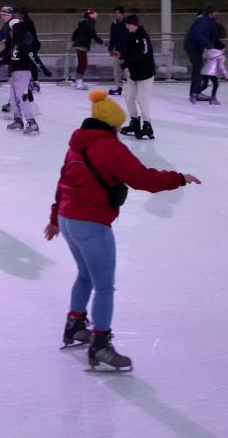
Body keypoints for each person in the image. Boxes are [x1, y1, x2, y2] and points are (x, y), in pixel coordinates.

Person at [44, 89, 201, 370]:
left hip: (69, 219)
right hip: (91, 224)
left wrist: (55, 219)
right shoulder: (110, 147)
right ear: (112, 124)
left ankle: (75, 325)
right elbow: (142, 179)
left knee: (84, 275)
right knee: (103, 285)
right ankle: (100, 345)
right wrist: (179, 178)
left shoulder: (76, 145)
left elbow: (62, 182)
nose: (120, 128)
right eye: (118, 124)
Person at [118, 14, 157, 139]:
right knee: (128, 96)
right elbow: (127, 52)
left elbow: (144, 54)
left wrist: (127, 62)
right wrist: (121, 57)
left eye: (128, 24)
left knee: (141, 99)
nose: (127, 27)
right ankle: (134, 121)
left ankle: (147, 125)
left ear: (134, 24)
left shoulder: (143, 36)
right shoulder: (130, 36)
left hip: (145, 74)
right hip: (133, 74)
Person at [4, 15, 41, 134]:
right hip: (15, 73)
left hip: (23, 73)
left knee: (22, 98)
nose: (10, 32)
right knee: (13, 99)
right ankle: (18, 121)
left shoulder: (25, 40)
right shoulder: (15, 41)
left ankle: (32, 122)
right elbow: (12, 56)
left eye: (12, 29)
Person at [184, 4, 217, 103]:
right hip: (193, 47)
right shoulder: (202, 20)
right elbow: (199, 35)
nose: (217, 13)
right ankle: (195, 93)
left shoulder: (206, 20)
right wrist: (208, 45)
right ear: (211, 13)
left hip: (195, 47)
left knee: (198, 68)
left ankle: (195, 92)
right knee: (198, 67)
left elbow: (208, 34)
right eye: (215, 12)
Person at [71, 9, 104, 91]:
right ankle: (79, 81)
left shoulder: (83, 21)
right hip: (82, 44)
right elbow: (92, 34)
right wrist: (101, 42)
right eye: (94, 13)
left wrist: (74, 40)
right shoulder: (90, 22)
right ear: (90, 15)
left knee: (82, 63)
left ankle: (78, 81)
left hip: (79, 44)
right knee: (84, 63)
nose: (96, 14)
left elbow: (76, 31)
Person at [200, 19, 228, 106]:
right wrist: (226, 76)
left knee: (205, 84)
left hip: (205, 70)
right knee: (215, 84)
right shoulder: (220, 55)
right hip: (212, 72)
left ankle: (195, 93)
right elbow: (222, 67)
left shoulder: (209, 49)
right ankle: (212, 98)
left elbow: (204, 56)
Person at [107, 6, 128, 96]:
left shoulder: (127, 23)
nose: (117, 14)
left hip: (127, 50)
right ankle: (119, 86)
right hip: (117, 50)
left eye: (119, 13)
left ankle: (131, 87)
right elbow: (112, 37)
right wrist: (110, 49)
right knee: (116, 70)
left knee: (127, 70)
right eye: (116, 13)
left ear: (122, 14)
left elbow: (129, 37)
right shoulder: (114, 24)